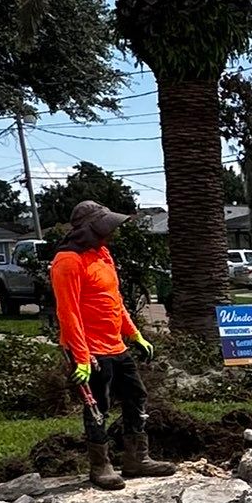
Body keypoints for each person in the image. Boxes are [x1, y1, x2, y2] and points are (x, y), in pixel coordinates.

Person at [49, 201, 163, 487]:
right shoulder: (68, 261)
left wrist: (134, 334)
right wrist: (82, 358)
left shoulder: (102, 255)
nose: (111, 232)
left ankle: (137, 459)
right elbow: (68, 313)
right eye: (105, 227)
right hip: (89, 349)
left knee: (136, 395)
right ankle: (100, 466)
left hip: (115, 345)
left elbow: (115, 300)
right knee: (98, 406)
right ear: (89, 229)